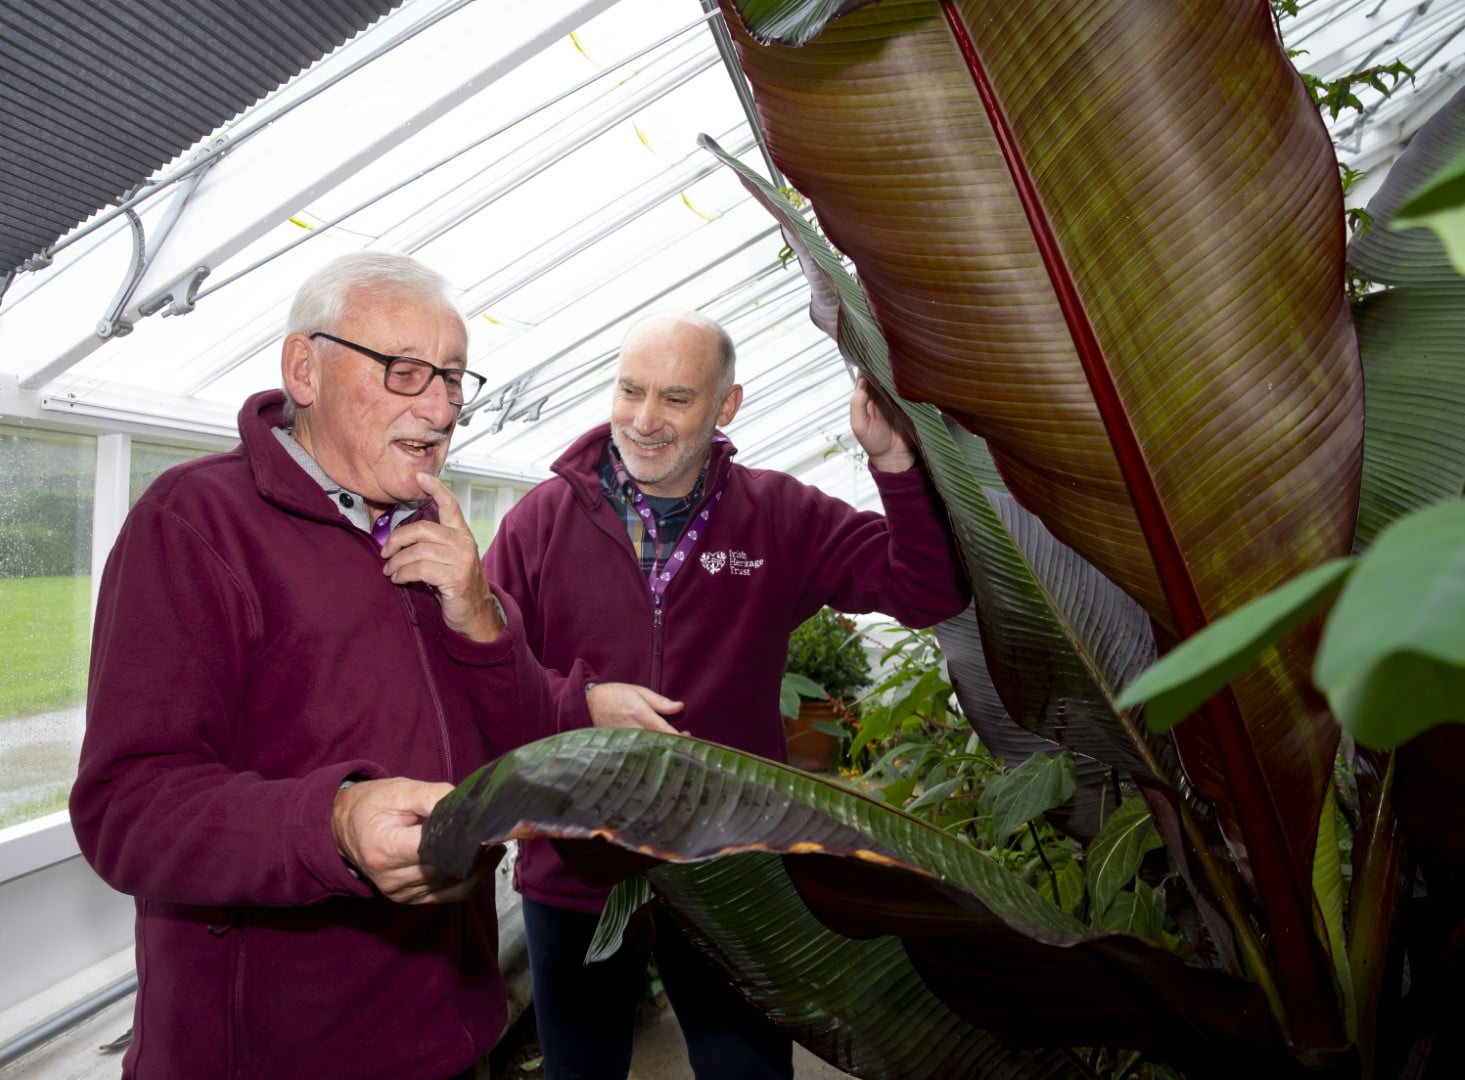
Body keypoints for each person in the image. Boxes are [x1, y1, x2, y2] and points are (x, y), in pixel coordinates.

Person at [70, 251, 555, 1080]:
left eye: (452, 379)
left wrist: (480, 620)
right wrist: (331, 825)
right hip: (275, 1054)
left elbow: (533, 757)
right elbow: (126, 806)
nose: (440, 411)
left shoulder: (437, 534)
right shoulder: (195, 523)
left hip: (448, 1033)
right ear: (305, 368)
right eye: (405, 373)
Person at [483, 310, 969, 1079]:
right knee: (580, 1070)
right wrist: (582, 705)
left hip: (729, 866)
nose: (644, 420)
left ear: (725, 406)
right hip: (574, 864)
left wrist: (894, 464)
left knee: (745, 1068)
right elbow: (482, 670)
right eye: (629, 390)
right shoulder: (541, 520)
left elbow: (926, 587)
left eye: (675, 399)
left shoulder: (779, 515)